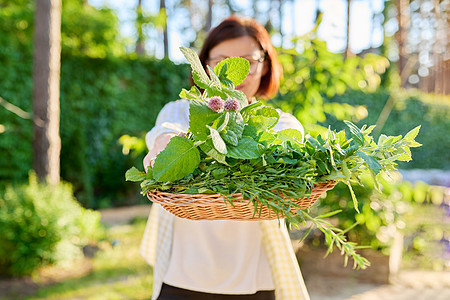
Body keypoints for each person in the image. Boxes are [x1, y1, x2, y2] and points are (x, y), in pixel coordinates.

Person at [141, 16, 310, 300]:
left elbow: (286, 148)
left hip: (253, 278)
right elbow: (165, 131)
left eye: (248, 61)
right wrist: (164, 144)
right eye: (222, 61)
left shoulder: (279, 123)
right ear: (204, 67)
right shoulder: (180, 112)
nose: (235, 75)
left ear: (265, 64)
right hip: (183, 274)